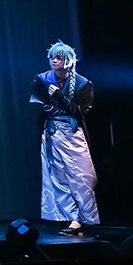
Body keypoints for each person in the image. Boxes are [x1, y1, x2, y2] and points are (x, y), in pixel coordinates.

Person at [30, 41, 98, 236]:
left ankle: (83, 217)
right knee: (57, 177)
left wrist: (60, 97)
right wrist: (64, 111)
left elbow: (80, 111)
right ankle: (70, 218)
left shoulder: (83, 84)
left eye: (59, 57)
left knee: (82, 176)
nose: (54, 60)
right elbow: (41, 106)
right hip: (52, 133)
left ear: (69, 61)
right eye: (52, 57)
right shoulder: (41, 80)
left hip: (73, 134)